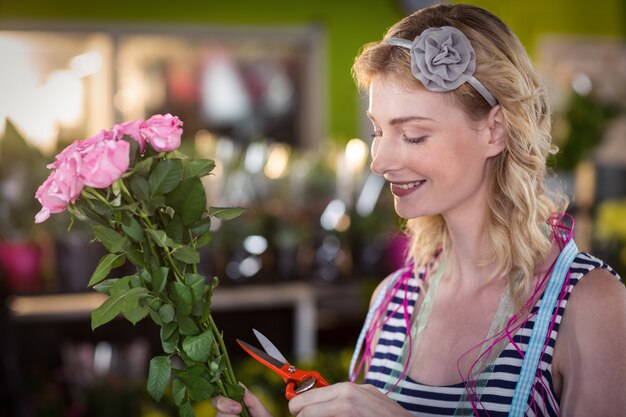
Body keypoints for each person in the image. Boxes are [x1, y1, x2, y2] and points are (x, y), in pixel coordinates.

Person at [213, 3, 626, 416]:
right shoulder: (392, 300)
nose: (379, 161)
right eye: (378, 130)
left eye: (412, 135)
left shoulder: (590, 305)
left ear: (495, 130)